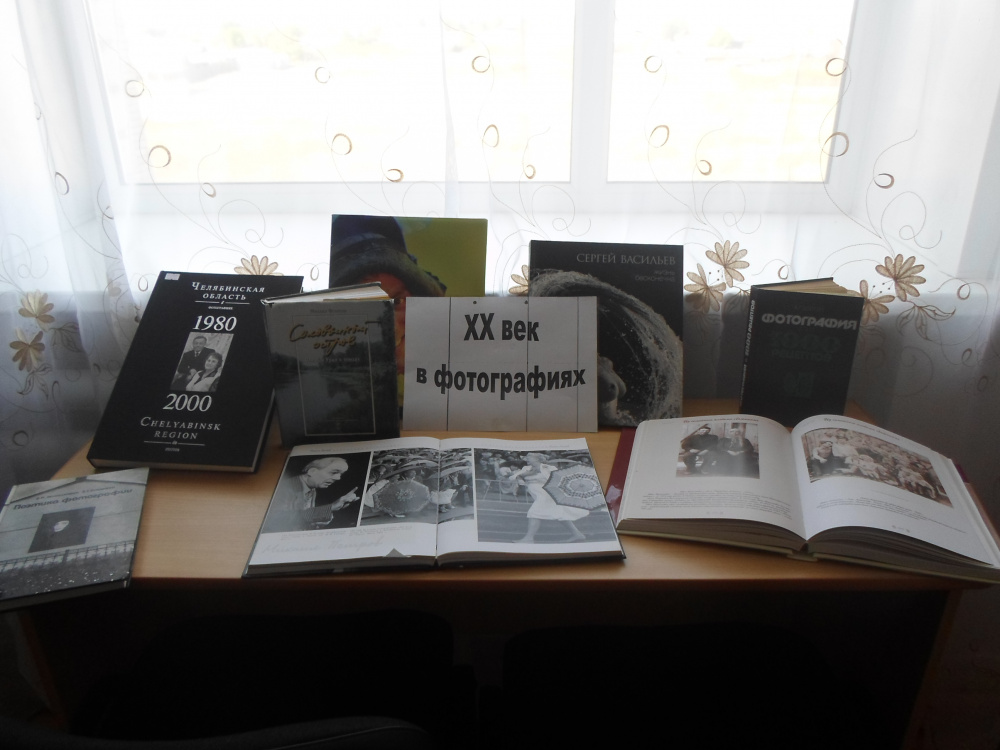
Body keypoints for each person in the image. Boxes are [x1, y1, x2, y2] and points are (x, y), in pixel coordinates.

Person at [508, 453, 588, 544]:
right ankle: (577, 534)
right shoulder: (526, 468)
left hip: (547, 494)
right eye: (526, 457)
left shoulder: (549, 468)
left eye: (529, 457)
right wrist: (524, 475)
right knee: (559, 514)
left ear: (537, 459)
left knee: (534, 512)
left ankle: (529, 538)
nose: (527, 459)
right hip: (538, 494)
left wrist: (540, 472)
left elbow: (559, 479)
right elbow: (513, 477)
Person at [265, 456, 359, 531]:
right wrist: (330, 507)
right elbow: (275, 520)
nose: (338, 478)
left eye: (340, 474)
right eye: (334, 472)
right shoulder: (285, 488)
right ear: (312, 471)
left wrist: (327, 514)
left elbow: (302, 517)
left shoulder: (312, 489)